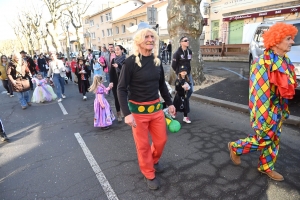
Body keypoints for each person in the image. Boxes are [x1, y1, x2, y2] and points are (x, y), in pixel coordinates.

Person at [228, 23, 298, 182]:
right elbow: (258, 94)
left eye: (291, 39)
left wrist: (284, 110)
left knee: (274, 139)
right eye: (288, 39)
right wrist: (262, 118)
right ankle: (236, 147)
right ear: (277, 40)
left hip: (278, 109)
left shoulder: (285, 61)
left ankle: (266, 166)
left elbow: (285, 89)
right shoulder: (262, 63)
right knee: (264, 139)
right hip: (266, 110)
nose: (292, 42)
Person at [117, 22, 176, 190]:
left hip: (156, 109)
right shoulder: (129, 63)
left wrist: (170, 103)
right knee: (143, 146)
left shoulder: (157, 62)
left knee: (161, 141)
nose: (150, 40)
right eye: (146, 37)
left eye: (152, 37)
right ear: (138, 40)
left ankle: (153, 160)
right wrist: (127, 113)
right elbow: (121, 89)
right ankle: (148, 172)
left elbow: (162, 86)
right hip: (137, 113)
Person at [110, 45, 126, 122]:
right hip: (116, 82)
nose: (116, 51)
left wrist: (119, 66)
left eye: (118, 50)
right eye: (115, 50)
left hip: (123, 82)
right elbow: (111, 72)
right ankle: (118, 114)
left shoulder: (126, 60)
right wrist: (111, 82)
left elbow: (126, 71)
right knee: (116, 98)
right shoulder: (113, 60)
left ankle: (124, 112)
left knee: (124, 97)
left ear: (122, 50)